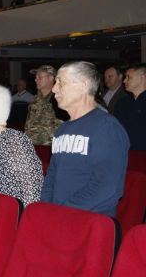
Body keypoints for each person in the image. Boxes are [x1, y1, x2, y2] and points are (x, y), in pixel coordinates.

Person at [41, 61, 129, 217]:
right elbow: (51, 177)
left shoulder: (107, 128)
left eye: (61, 82)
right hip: (58, 216)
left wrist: (63, 210)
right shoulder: (62, 130)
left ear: (82, 85)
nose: (54, 89)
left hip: (88, 223)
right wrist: (47, 208)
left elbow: (107, 187)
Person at [25, 65, 69, 145]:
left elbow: (67, 125)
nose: (35, 79)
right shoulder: (35, 100)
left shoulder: (60, 100)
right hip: (33, 148)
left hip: (51, 148)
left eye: (40, 77)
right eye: (35, 77)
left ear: (51, 78)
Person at [114, 63, 146, 151]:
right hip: (124, 153)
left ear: (142, 78)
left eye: (129, 77)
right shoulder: (122, 103)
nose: (124, 81)